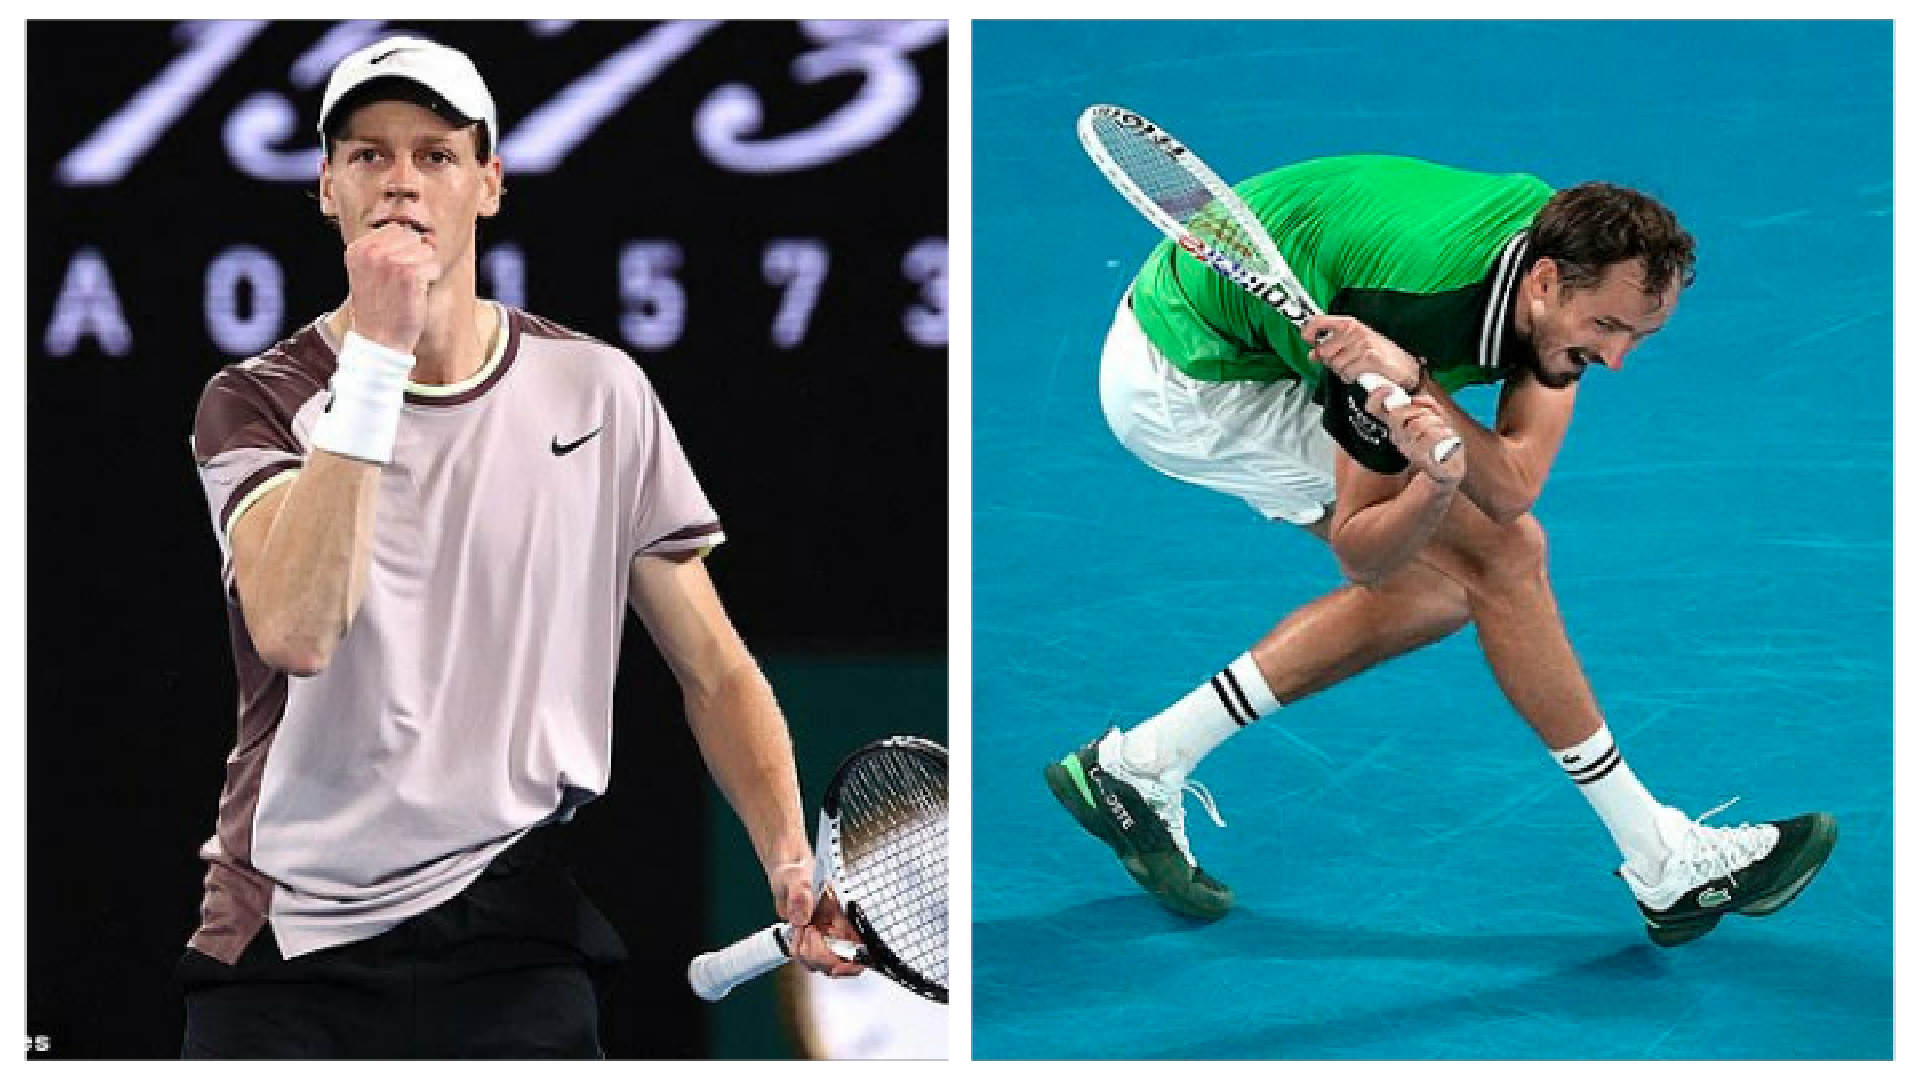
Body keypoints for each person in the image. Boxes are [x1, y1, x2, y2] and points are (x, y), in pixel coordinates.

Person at [181, 36, 860, 1059]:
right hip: (288, 942)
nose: (400, 181)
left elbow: (714, 667)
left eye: (435, 155)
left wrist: (786, 859)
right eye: (367, 155)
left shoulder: (598, 390)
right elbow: (295, 628)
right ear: (327, 188)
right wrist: (375, 352)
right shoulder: (260, 400)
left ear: (488, 185)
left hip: (512, 931)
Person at [1045, 154, 1837, 946]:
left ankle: (1140, 765)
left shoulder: (1570, 272)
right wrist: (1422, 463)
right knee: (1500, 559)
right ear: (1543, 282)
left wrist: (1416, 391)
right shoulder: (1400, 310)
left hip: (1321, 312)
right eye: (1606, 328)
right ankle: (1663, 858)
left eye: (1640, 333)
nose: (1620, 357)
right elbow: (1366, 555)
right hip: (1190, 378)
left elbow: (1514, 478)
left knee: (1447, 588)